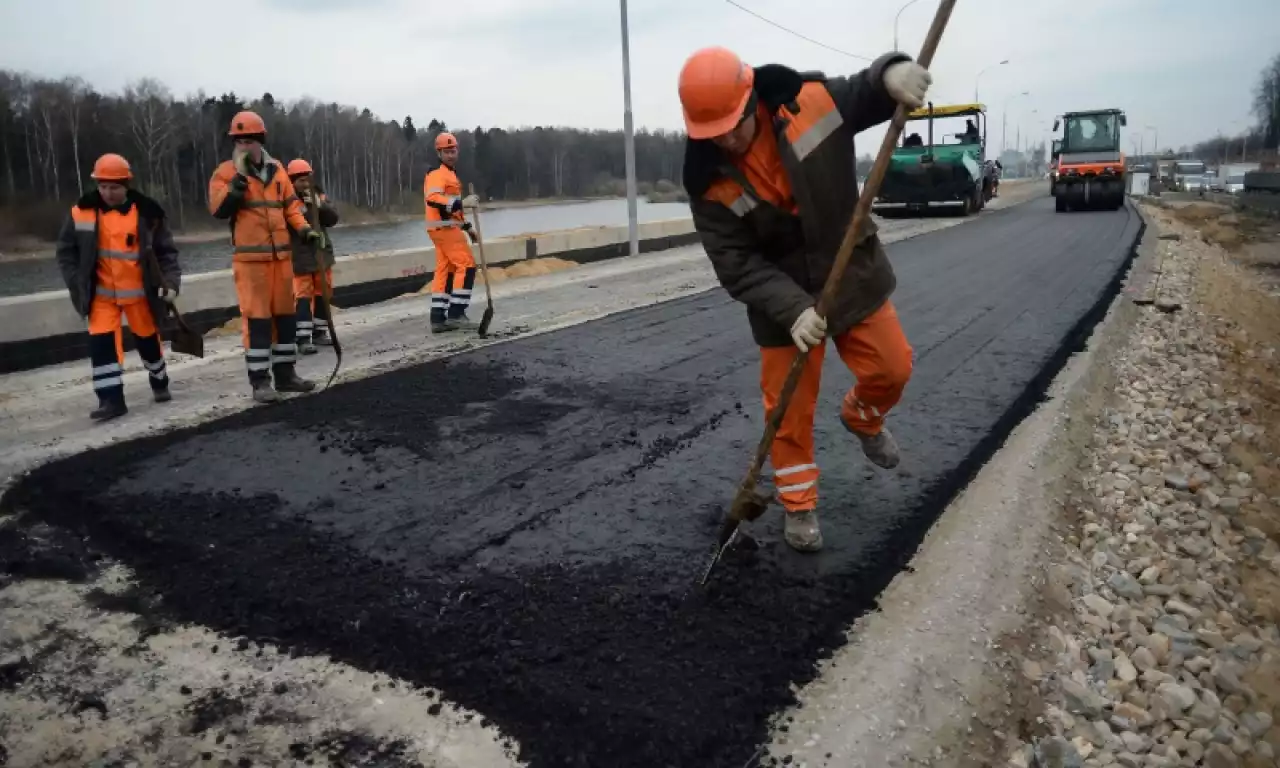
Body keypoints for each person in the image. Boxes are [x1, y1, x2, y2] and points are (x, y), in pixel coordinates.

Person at [677, 46, 930, 553]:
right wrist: (792, 310)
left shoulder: (808, 102)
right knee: (787, 411)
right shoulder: (708, 182)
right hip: (781, 299)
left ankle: (862, 417)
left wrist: (891, 74)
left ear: (754, 100)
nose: (728, 139)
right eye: (714, 134)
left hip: (849, 268)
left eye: (735, 125)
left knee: (893, 367)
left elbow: (864, 92)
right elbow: (735, 263)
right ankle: (799, 506)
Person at [55, 153, 181, 421]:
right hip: (101, 297)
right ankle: (111, 400)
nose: (108, 193)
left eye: (114, 187)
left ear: (126, 185)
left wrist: (170, 284)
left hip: (139, 295)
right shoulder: (81, 212)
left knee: (148, 342)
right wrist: (76, 281)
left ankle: (159, 380)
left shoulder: (148, 214)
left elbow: (166, 253)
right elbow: (66, 251)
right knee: (102, 345)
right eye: (103, 186)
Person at [208, 110, 321, 403]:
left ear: (261, 142)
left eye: (250, 141)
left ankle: (286, 375)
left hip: (281, 259)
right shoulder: (225, 173)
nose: (244, 146)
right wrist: (236, 186)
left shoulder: (278, 171)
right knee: (256, 320)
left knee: (285, 318)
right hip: (250, 263)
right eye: (239, 141)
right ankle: (260, 381)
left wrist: (306, 230)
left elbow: (291, 208)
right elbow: (218, 210)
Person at [423, 132, 480, 333]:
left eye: (453, 150)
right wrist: (461, 203)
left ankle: (438, 318)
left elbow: (453, 209)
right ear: (439, 153)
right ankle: (456, 313)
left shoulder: (451, 175)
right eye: (446, 151)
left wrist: (467, 226)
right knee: (466, 265)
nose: (450, 154)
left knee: (445, 271)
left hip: (445, 227)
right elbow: (433, 198)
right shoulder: (437, 174)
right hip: (443, 227)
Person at [285, 158, 339, 354]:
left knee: (324, 292)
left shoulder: (319, 196)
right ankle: (303, 337)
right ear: (292, 181)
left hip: (322, 254)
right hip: (300, 256)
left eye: (307, 179)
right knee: (303, 296)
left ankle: (319, 331)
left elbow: (333, 218)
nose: (305, 184)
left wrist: (319, 206)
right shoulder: (288, 201)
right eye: (300, 181)